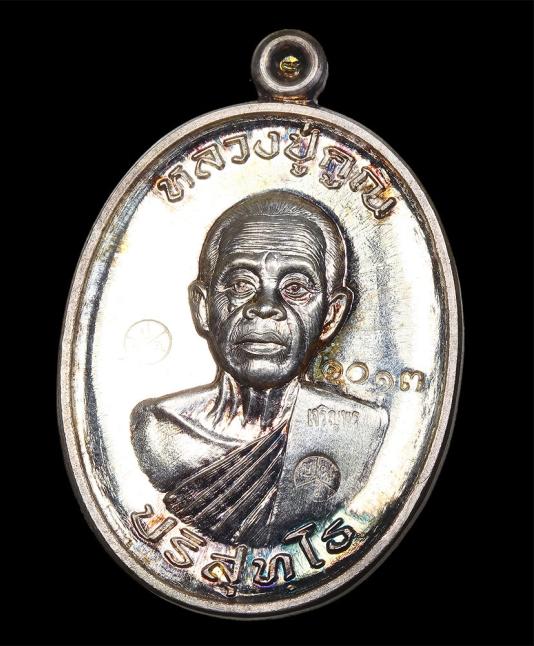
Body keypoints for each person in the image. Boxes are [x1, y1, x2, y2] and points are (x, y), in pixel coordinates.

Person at [131, 190, 388, 546]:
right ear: (203, 307)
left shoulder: (361, 429)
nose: (265, 307)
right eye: (241, 284)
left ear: (330, 316)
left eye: (295, 287)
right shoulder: (158, 429)